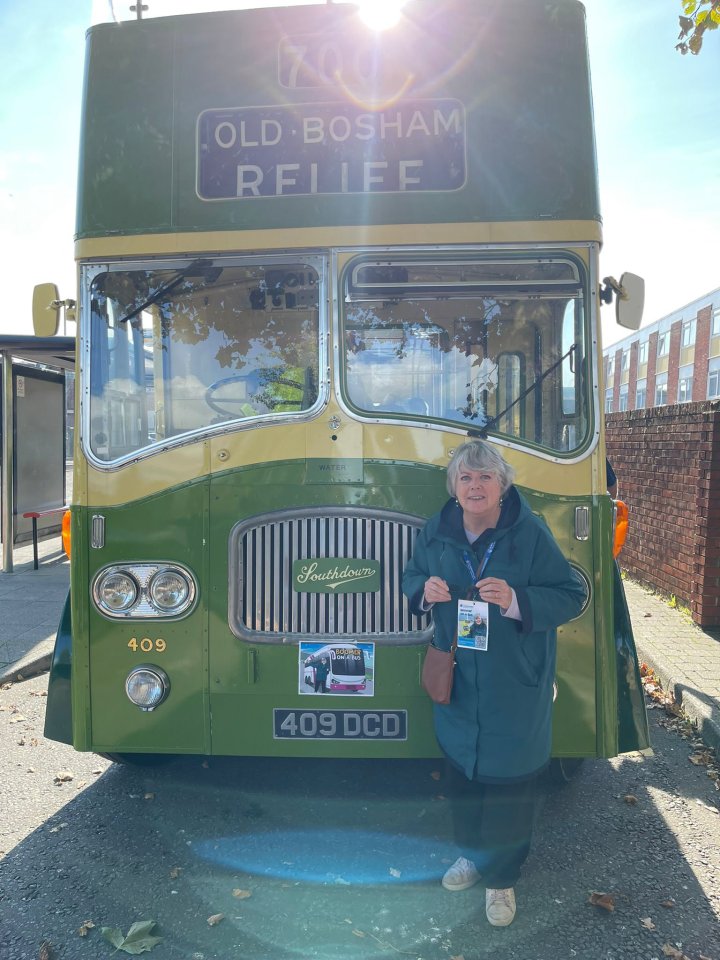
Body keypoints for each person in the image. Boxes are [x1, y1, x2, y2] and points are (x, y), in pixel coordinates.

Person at [402, 440, 586, 926]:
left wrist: (515, 600)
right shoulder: (436, 532)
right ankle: (469, 854)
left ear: (503, 486)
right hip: (458, 679)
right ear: (454, 487)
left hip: (514, 681)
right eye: (466, 478)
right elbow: (411, 576)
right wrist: (425, 591)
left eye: (485, 477)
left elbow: (569, 595)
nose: (475, 486)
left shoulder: (530, 533)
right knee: (463, 775)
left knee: (510, 785)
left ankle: (502, 881)